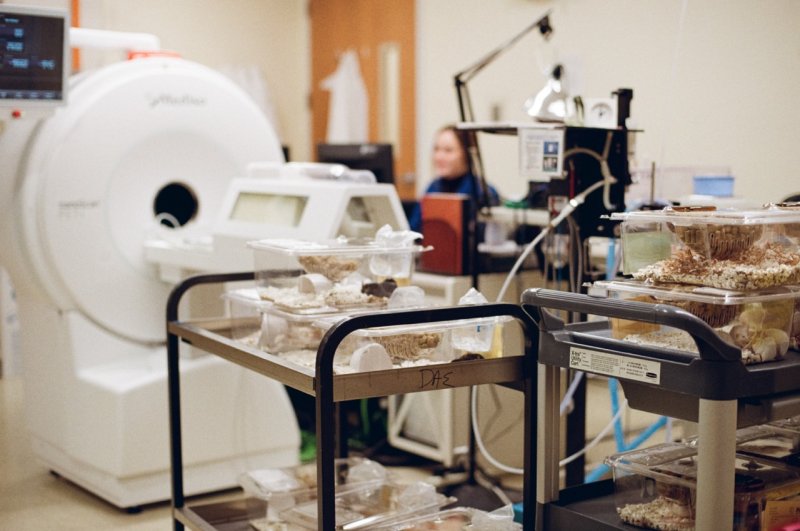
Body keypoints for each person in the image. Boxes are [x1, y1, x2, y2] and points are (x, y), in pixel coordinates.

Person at [407, 125, 500, 233]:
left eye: (448, 151)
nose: (439, 157)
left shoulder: (483, 192)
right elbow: (413, 230)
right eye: (436, 149)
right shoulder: (433, 187)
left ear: (466, 154)